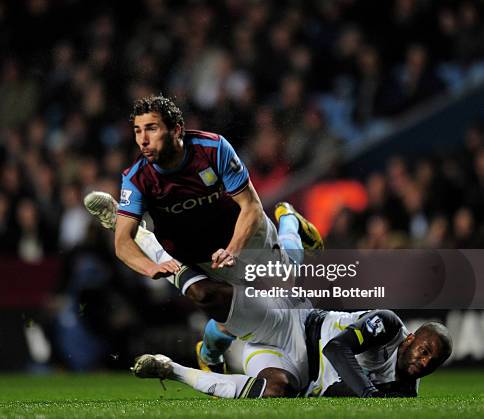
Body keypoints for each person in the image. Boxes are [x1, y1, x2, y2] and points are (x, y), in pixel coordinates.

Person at [85, 94, 323, 373]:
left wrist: (232, 250)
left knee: (278, 294)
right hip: (191, 256)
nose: (143, 140)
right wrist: (150, 267)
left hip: (243, 240)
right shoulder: (137, 177)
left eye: (151, 129)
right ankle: (134, 228)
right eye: (138, 131)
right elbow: (121, 244)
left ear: (176, 129)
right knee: (205, 295)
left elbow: (251, 208)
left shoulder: (213, 149)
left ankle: (289, 220)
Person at [131, 309, 452, 399]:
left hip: (296, 371)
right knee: (227, 308)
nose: (424, 363)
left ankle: (170, 368)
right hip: (295, 328)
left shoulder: (403, 392)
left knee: (275, 390)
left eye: (432, 363)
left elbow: (335, 391)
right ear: (409, 340)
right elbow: (337, 348)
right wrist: (368, 393)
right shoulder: (389, 325)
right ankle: (289, 224)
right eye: (424, 351)